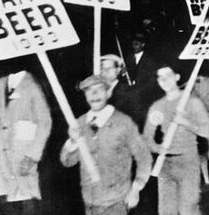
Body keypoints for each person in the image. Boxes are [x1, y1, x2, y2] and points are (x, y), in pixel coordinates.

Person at [61, 75, 152, 215]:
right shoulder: (79, 124)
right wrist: (72, 141)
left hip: (116, 201)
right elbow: (67, 161)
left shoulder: (123, 122)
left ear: (108, 93)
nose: (94, 95)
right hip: (90, 201)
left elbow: (144, 156)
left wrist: (136, 188)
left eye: (99, 89)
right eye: (89, 91)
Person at [0, 69, 52, 215]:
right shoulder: (0, 82)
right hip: (1, 157)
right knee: (1, 201)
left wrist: (32, 156)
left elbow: (45, 122)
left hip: (22, 158)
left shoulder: (32, 85)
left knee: (25, 203)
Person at [143, 64, 209, 215]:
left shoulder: (192, 102)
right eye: (160, 78)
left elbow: (208, 131)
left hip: (188, 162)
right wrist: (158, 148)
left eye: (168, 76)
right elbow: (147, 138)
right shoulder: (157, 106)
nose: (164, 80)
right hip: (165, 165)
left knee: (188, 210)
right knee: (166, 212)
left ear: (177, 77)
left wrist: (186, 122)